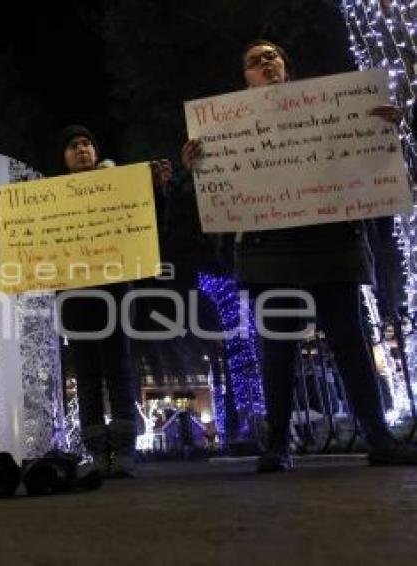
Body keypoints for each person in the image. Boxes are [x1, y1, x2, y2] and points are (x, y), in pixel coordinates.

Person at [182, 40, 417, 472]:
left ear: (286, 67)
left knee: (349, 338)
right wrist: (198, 163)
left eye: (272, 57)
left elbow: (364, 163)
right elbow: (212, 194)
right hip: (270, 246)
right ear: (246, 78)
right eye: (254, 61)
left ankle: (379, 437)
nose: (265, 64)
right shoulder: (226, 130)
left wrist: (384, 130)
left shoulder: (335, 108)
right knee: (278, 346)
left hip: (331, 237)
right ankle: (278, 446)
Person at [54, 125, 171, 476]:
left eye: (88, 143)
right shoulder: (52, 198)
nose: (82, 149)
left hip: (116, 292)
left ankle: (124, 451)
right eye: (74, 145)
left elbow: (152, 228)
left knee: (120, 371)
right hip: (75, 298)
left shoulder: (122, 185)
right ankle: (96, 453)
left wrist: (158, 191)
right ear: (65, 157)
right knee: (87, 375)